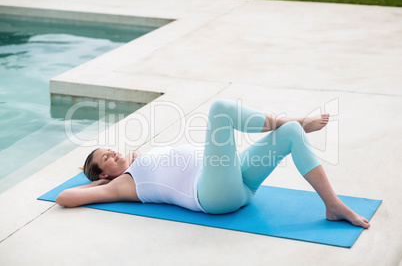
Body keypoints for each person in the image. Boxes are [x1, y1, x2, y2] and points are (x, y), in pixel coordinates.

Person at [56, 100, 370, 229]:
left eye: (110, 149)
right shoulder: (122, 184)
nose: (113, 153)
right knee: (220, 109)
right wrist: (99, 186)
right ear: (103, 173)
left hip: (237, 182)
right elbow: (64, 198)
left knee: (289, 134)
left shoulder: (139, 161)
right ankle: (298, 119)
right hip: (213, 196)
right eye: (106, 158)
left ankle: (332, 205)